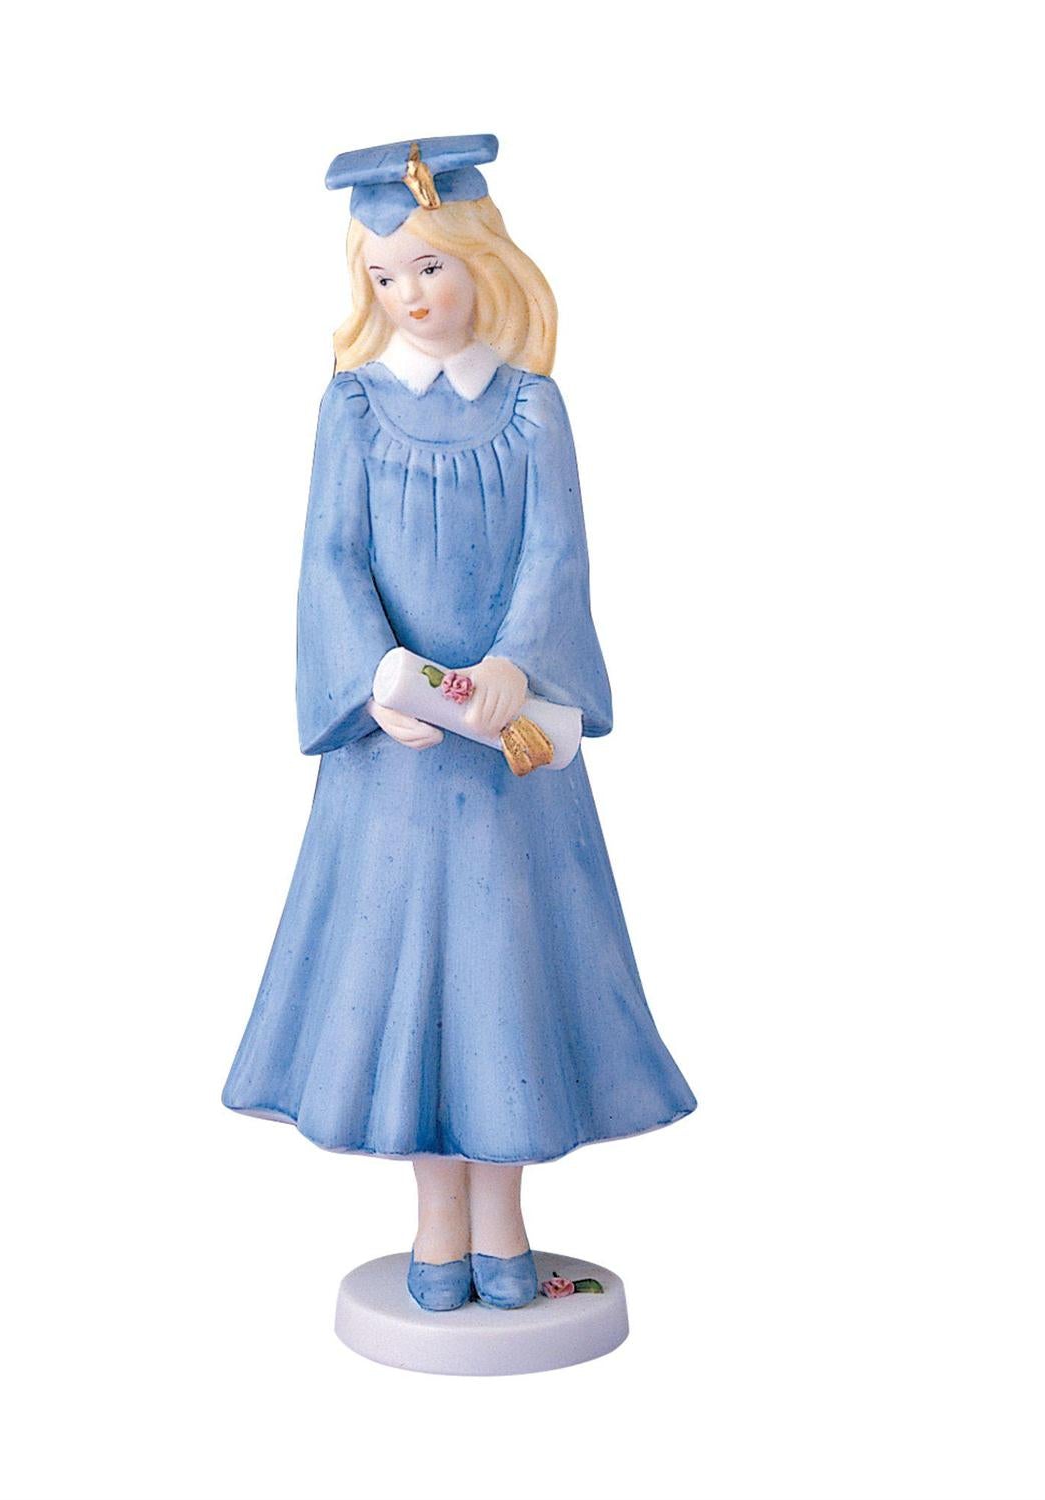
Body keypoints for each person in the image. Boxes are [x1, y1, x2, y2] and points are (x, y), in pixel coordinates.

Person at [222, 135, 696, 1312]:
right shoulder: (352, 408)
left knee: (507, 979)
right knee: (411, 990)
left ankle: (503, 1225)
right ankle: (439, 1227)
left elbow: (556, 552)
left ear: (484, 262)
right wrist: (376, 679)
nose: (410, 297)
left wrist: (511, 665)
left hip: (508, 763)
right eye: (384, 276)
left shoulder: (533, 409)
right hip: (396, 762)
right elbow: (329, 558)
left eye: (428, 267)